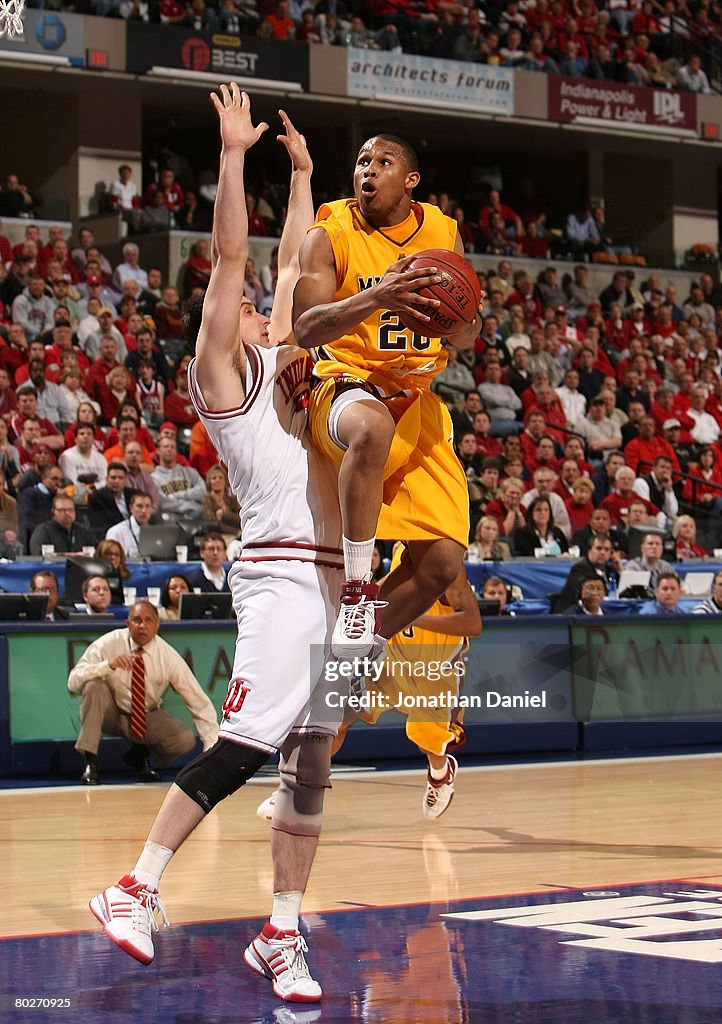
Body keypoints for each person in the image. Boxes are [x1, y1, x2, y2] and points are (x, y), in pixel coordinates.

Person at [90, 90, 342, 1003]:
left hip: (337, 584)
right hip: (279, 576)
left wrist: (306, 174)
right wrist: (234, 157)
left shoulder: (285, 349)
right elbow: (238, 254)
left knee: (311, 764)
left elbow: (291, 260)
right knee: (240, 746)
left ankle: (281, 933)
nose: (259, 307)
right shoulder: (222, 376)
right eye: (244, 309)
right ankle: (135, 887)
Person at [291, 129, 481, 664]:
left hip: (415, 397)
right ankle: (357, 590)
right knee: (372, 426)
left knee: (442, 565)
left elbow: (469, 332)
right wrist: (378, 295)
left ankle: (359, 647)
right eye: (361, 161)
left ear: (411, 180)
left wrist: (450, 320)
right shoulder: (329, 235)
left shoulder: (443, 233)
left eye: (383, 161)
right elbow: (304, 328)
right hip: (343, 383)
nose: (367, 170)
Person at [261, 544, 481, 822]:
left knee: (427, 740)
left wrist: (415, 616)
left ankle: (440, 774)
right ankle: (297, 788)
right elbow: (386, 589)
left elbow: (473, 623)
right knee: (337, 716)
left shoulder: (449, 564)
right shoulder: (404, 548)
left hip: (436, 671)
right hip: (394, 662)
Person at [69, 599, 218, 785]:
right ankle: (90, 762)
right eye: (137, 620)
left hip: (146, 716)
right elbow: (73, 681)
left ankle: (139, 755)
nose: (142, 626)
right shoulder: (109, 643)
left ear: (157, 625)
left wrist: (211, 750)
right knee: (94, 686)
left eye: (148, 620)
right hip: (111, 712)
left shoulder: (167, 655)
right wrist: (108, 665)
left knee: (184, 738)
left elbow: (198, 700)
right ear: (127, 623)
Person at [555, 533, 622, 612]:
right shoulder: (579, 569)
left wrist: (620, 570)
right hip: (575, 613)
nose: (603, 553)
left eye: (607, 550)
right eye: (599, 548)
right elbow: (583, 596)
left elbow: (621, 593)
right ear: (589, 550)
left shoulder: (611, 570)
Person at [28, 493, 94, 557]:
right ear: (53, 511)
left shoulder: (83, 531)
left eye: (70, 509)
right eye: (62, 510)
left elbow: (96, 552)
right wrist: (74, 556)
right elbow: (39, 555)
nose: (67, 513)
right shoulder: (43, 531)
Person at [105, 491, 154, 559]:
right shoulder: (115, 532)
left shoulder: (156, 533)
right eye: (139, 506)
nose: (144, 510)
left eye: (147, 506)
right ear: (131, 508)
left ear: (152, 509)